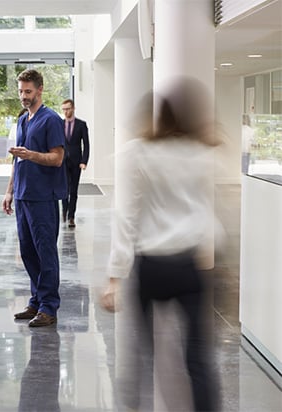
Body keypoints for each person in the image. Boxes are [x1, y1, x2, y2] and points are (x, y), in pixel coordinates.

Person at [101, 78, 221, 411]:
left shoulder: (138, 152)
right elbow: (209, 214)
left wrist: (114, 277)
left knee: (141, 357)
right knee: (198, 360)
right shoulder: (200, 153)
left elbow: (126, 216)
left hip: (152, 265)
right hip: (188, 265)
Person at [2, 69, 67, 327]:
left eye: (28, 91)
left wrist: (32, 155)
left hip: (43, 197)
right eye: (20, 91)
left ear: (40, 90)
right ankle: (37, 301)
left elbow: (57, 158)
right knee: (28, 251)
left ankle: (49, 306)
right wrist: (9, 191)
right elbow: (17, 159)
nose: (23, 96)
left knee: (45, 252)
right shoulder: (22, 120)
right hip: (22, 195)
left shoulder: (50, 120)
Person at [60, 99, 90, 228]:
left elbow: (86, 145)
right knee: (63, 189)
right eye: (64, 109)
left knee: (73, 190)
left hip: (76, 162)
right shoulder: (59, 124)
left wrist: (84, 161)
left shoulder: (81, 124)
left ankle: (71, 216)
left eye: (68, 109)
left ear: (73, 108)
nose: (66, 111)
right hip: (62, 161)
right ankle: (64, 212)